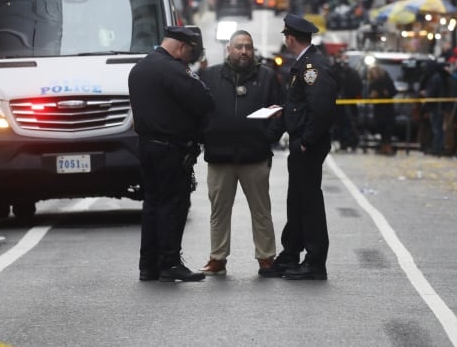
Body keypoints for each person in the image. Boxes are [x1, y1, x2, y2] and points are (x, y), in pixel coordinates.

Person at [128, 26, 215, 282]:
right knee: (174, 205)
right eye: (189, 52)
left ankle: (149, 265)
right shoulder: (173, 70)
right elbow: (204, 101)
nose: (188, 58)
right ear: (180, 47)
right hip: (171, 149)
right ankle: (169, 262)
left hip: (146, 146)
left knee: (152, 204)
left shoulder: (138, 69)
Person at [260, 14, 338, 280]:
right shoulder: (303, 64)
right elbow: (298, 106)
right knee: (297, 200)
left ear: (290, 38)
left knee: (309, 203)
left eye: (285, 36)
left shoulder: (311, 68)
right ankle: (291, 252)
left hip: (307, 145)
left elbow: (321, 108)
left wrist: (306, 141)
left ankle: (315, 260)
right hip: (300, 142)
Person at [198, 30, 282, 276]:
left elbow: (279, 111)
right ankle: (218, 257)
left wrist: (267, 138)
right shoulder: (210, 76)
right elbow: (199, 110)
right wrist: (206, 137)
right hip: (219, 157)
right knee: (219, 211)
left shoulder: (267, 77)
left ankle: (266, 257)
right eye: (239, 47)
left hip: (254, 156)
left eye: (248, 47)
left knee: (261, 211)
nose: (244, 51)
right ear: (229, 50)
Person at [367, 64, 397, 155]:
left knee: (388, 128)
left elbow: (393, 91)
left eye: (376, 72)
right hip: (378, 109)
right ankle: (383, 147)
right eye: (373, 73)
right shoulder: (372, 83)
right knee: (381, 128)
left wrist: (387, 93)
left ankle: (387, 147)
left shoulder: (387, 80)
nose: (374, 74)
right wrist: (372, 96)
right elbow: (369, 94)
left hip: (387, 108)